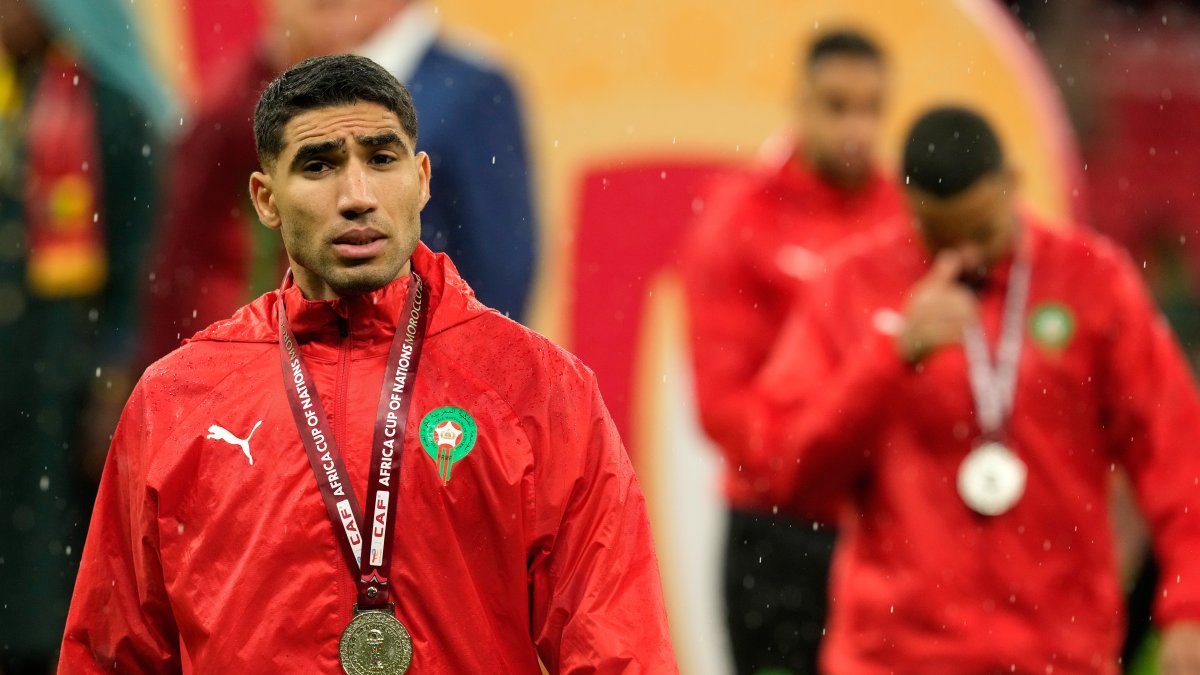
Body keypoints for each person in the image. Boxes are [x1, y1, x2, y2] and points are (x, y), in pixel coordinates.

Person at [59, 55, 675, 673]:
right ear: (266, 200)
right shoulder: (177, 399)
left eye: (381, 159)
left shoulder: (537, 389)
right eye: (319, 166)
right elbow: (112, 655)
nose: (357, 197)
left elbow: (619, 652)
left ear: (422, 178)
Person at [741, 106, 1200, 673]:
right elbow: (781, 467)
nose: (966, 257)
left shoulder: (1091, 281)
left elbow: (1175, 449)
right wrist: (889, 358)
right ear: (907, 206)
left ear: (1013, 184)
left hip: (1057, 655)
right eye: (941, 239)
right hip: (897, 658)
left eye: (982, 232)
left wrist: (1189, 603)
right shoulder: (854, 287)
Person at [142, 0, 537, 365]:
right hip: (266, 379)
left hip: (409, 380)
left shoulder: (468, 92)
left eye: (381, 159)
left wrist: (446, 379)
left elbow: (498, 267)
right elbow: (184, 254)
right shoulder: (244, 92)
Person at [680, 30, 903, 674]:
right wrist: (812, 462)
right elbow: (723, 405)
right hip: (777, 532)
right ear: (799, 103)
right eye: (837, 106)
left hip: (886, 532)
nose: (856, 128)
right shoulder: (741, 222)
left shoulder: (904, 222)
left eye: (871, 109)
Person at [0, 0, 165, 670]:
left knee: (50, 571)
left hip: (63, 380)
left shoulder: (113, 112)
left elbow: (140, 266)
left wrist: (113, 380)